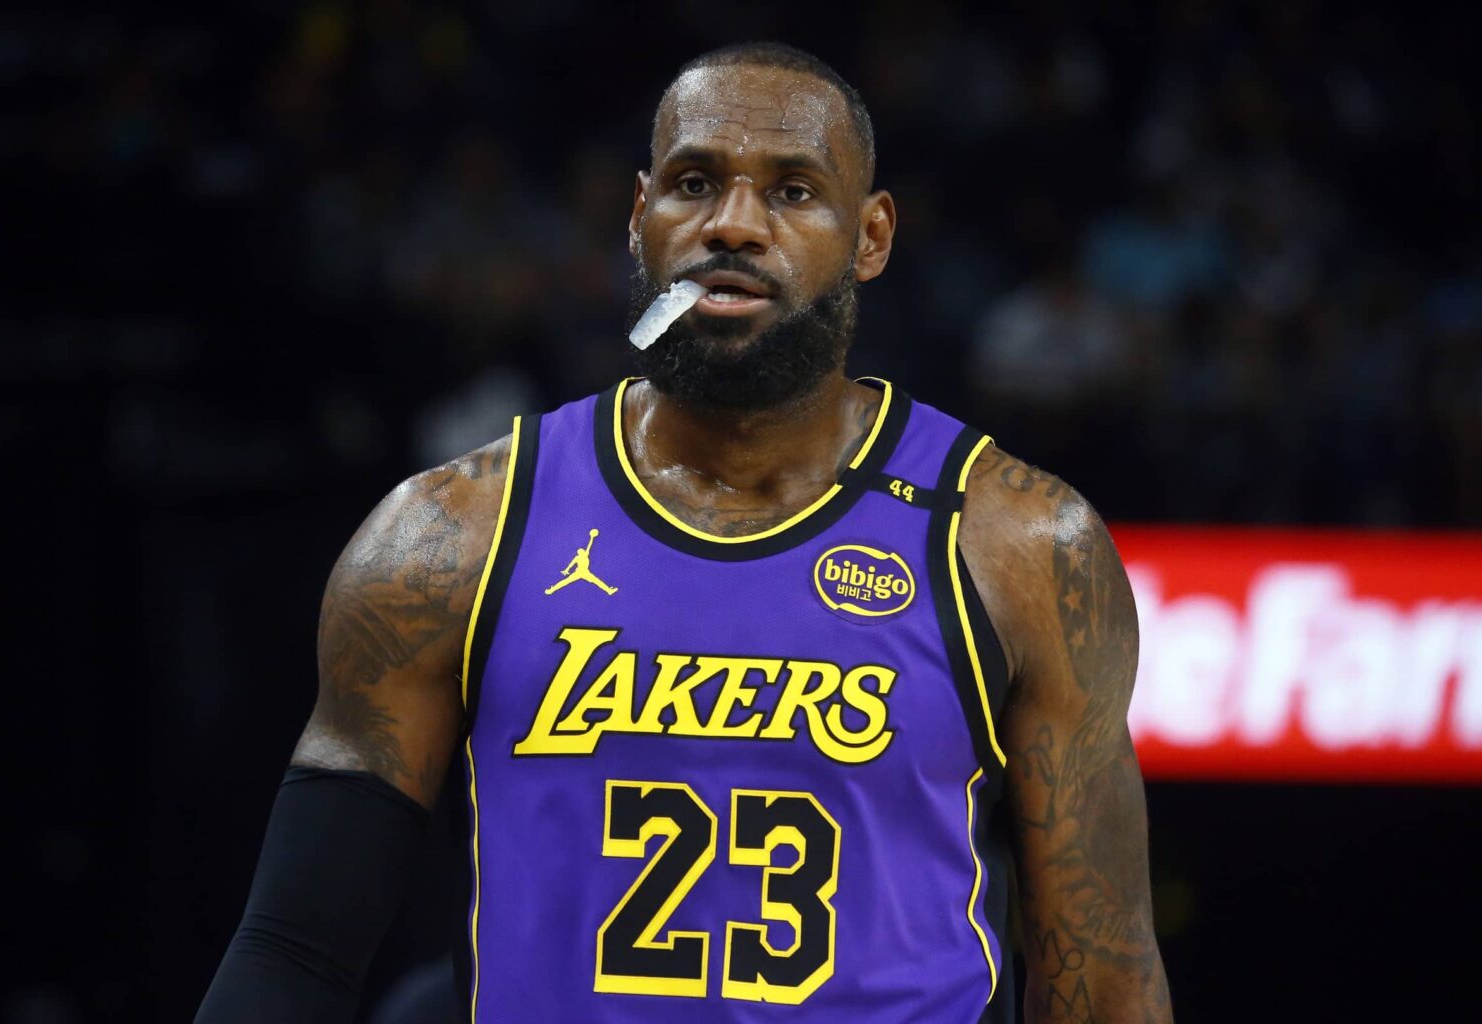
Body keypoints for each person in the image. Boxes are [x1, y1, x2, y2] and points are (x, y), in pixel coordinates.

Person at [197, 42, 1172, 1024]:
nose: (734, 224)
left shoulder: (1021, 546)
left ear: (871, 237)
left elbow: (1104, 983)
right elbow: (295, 954)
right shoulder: (449, 536)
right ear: (639, 218)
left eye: (794, 192)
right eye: (694, 183)